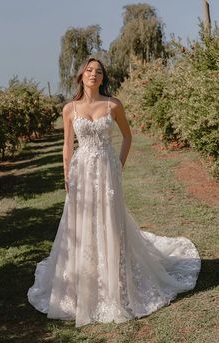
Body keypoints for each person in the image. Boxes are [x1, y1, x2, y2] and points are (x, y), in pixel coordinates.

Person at [27, 57, 201, 327]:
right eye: (89, 70)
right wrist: (66, 175)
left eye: (98, 71)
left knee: (110, 220)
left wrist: (118, 165)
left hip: (107, 170)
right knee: (82, 222)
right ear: (81, 76)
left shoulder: (113, 104)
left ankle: (115, 280)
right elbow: (67, 145)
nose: (93, 74)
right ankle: (83, 282)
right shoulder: (69, 108)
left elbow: (127, 137)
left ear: (102, 77)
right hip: (82, 171)